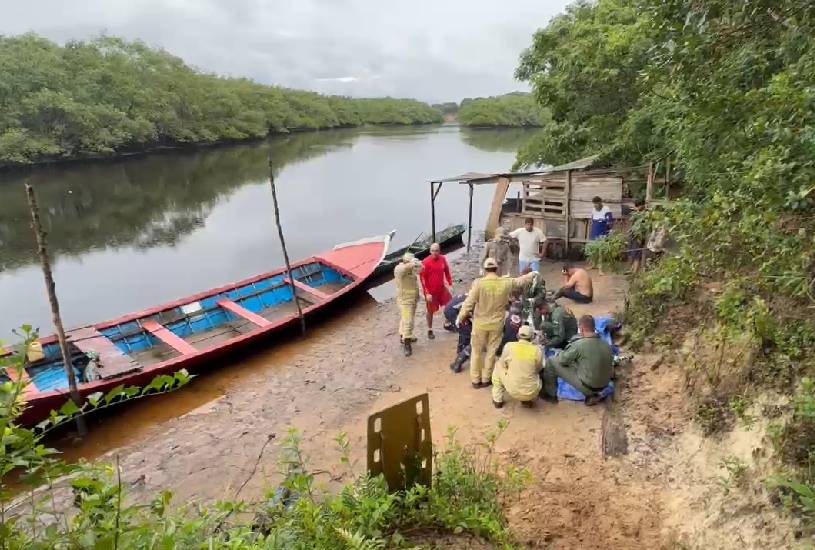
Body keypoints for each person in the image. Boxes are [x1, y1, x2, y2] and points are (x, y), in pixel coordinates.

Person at [456, 258, 536, 389]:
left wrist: (460, 317)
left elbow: (469, 303)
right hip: (496, 324)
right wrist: (532, 274)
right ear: (497, 269)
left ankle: (476, 380)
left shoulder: (478, 284)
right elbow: (521, 281)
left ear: (485, 270)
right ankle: (487, 379)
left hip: (480, 323)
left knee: (476, 351)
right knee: (491, 352)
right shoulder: (505, 282)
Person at [541, 315, 614, 406]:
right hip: (605, 385)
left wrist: (559, 353)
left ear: (582, 328)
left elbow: (562, 360)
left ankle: (551, 395)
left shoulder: (580, 344)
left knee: (551, 362)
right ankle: (592, 396)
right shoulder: (606, 344)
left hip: (589, 386)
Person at [492, 325, 543, 409]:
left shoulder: (509, 346)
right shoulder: (537, 350)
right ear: (532, 337)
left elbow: (503, 364)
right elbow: (539, 368)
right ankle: (526, 400)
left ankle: (497, 400)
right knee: (531, 373)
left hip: (513, 390)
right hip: (532, 391)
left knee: (498, 365)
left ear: (517, 336)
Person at [420, 243, 452, 340]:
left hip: (441, 289)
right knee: (430, 311)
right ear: (430, 251)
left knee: (450, 304)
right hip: (431, 291)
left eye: (436, 250)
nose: (435, 253)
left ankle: (447, 323)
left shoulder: (442, 259)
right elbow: (422, 278)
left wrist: (450, 284)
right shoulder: (425, 262)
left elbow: (446, 271)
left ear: (439, 251)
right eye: (433, 251)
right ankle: (430, 329)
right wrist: (427, 293)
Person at [394, 252, 423, 356]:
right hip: (405, 302)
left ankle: (403, 335)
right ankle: (407, 344)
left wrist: (418, 263)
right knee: (408, 321)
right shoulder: (399, 269)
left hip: (413, 299)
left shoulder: (412, 270)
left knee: (406, 319)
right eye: (410, 262)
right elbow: (402, 269)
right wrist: (411, 264)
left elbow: (421, 269)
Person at [444, 294, 471, 373]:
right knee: (466, 332)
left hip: (451, 309)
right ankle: (459, 358)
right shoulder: (473, 299)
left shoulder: (469, 294)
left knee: (465, 329)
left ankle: (460, 350)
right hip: (452, 312)